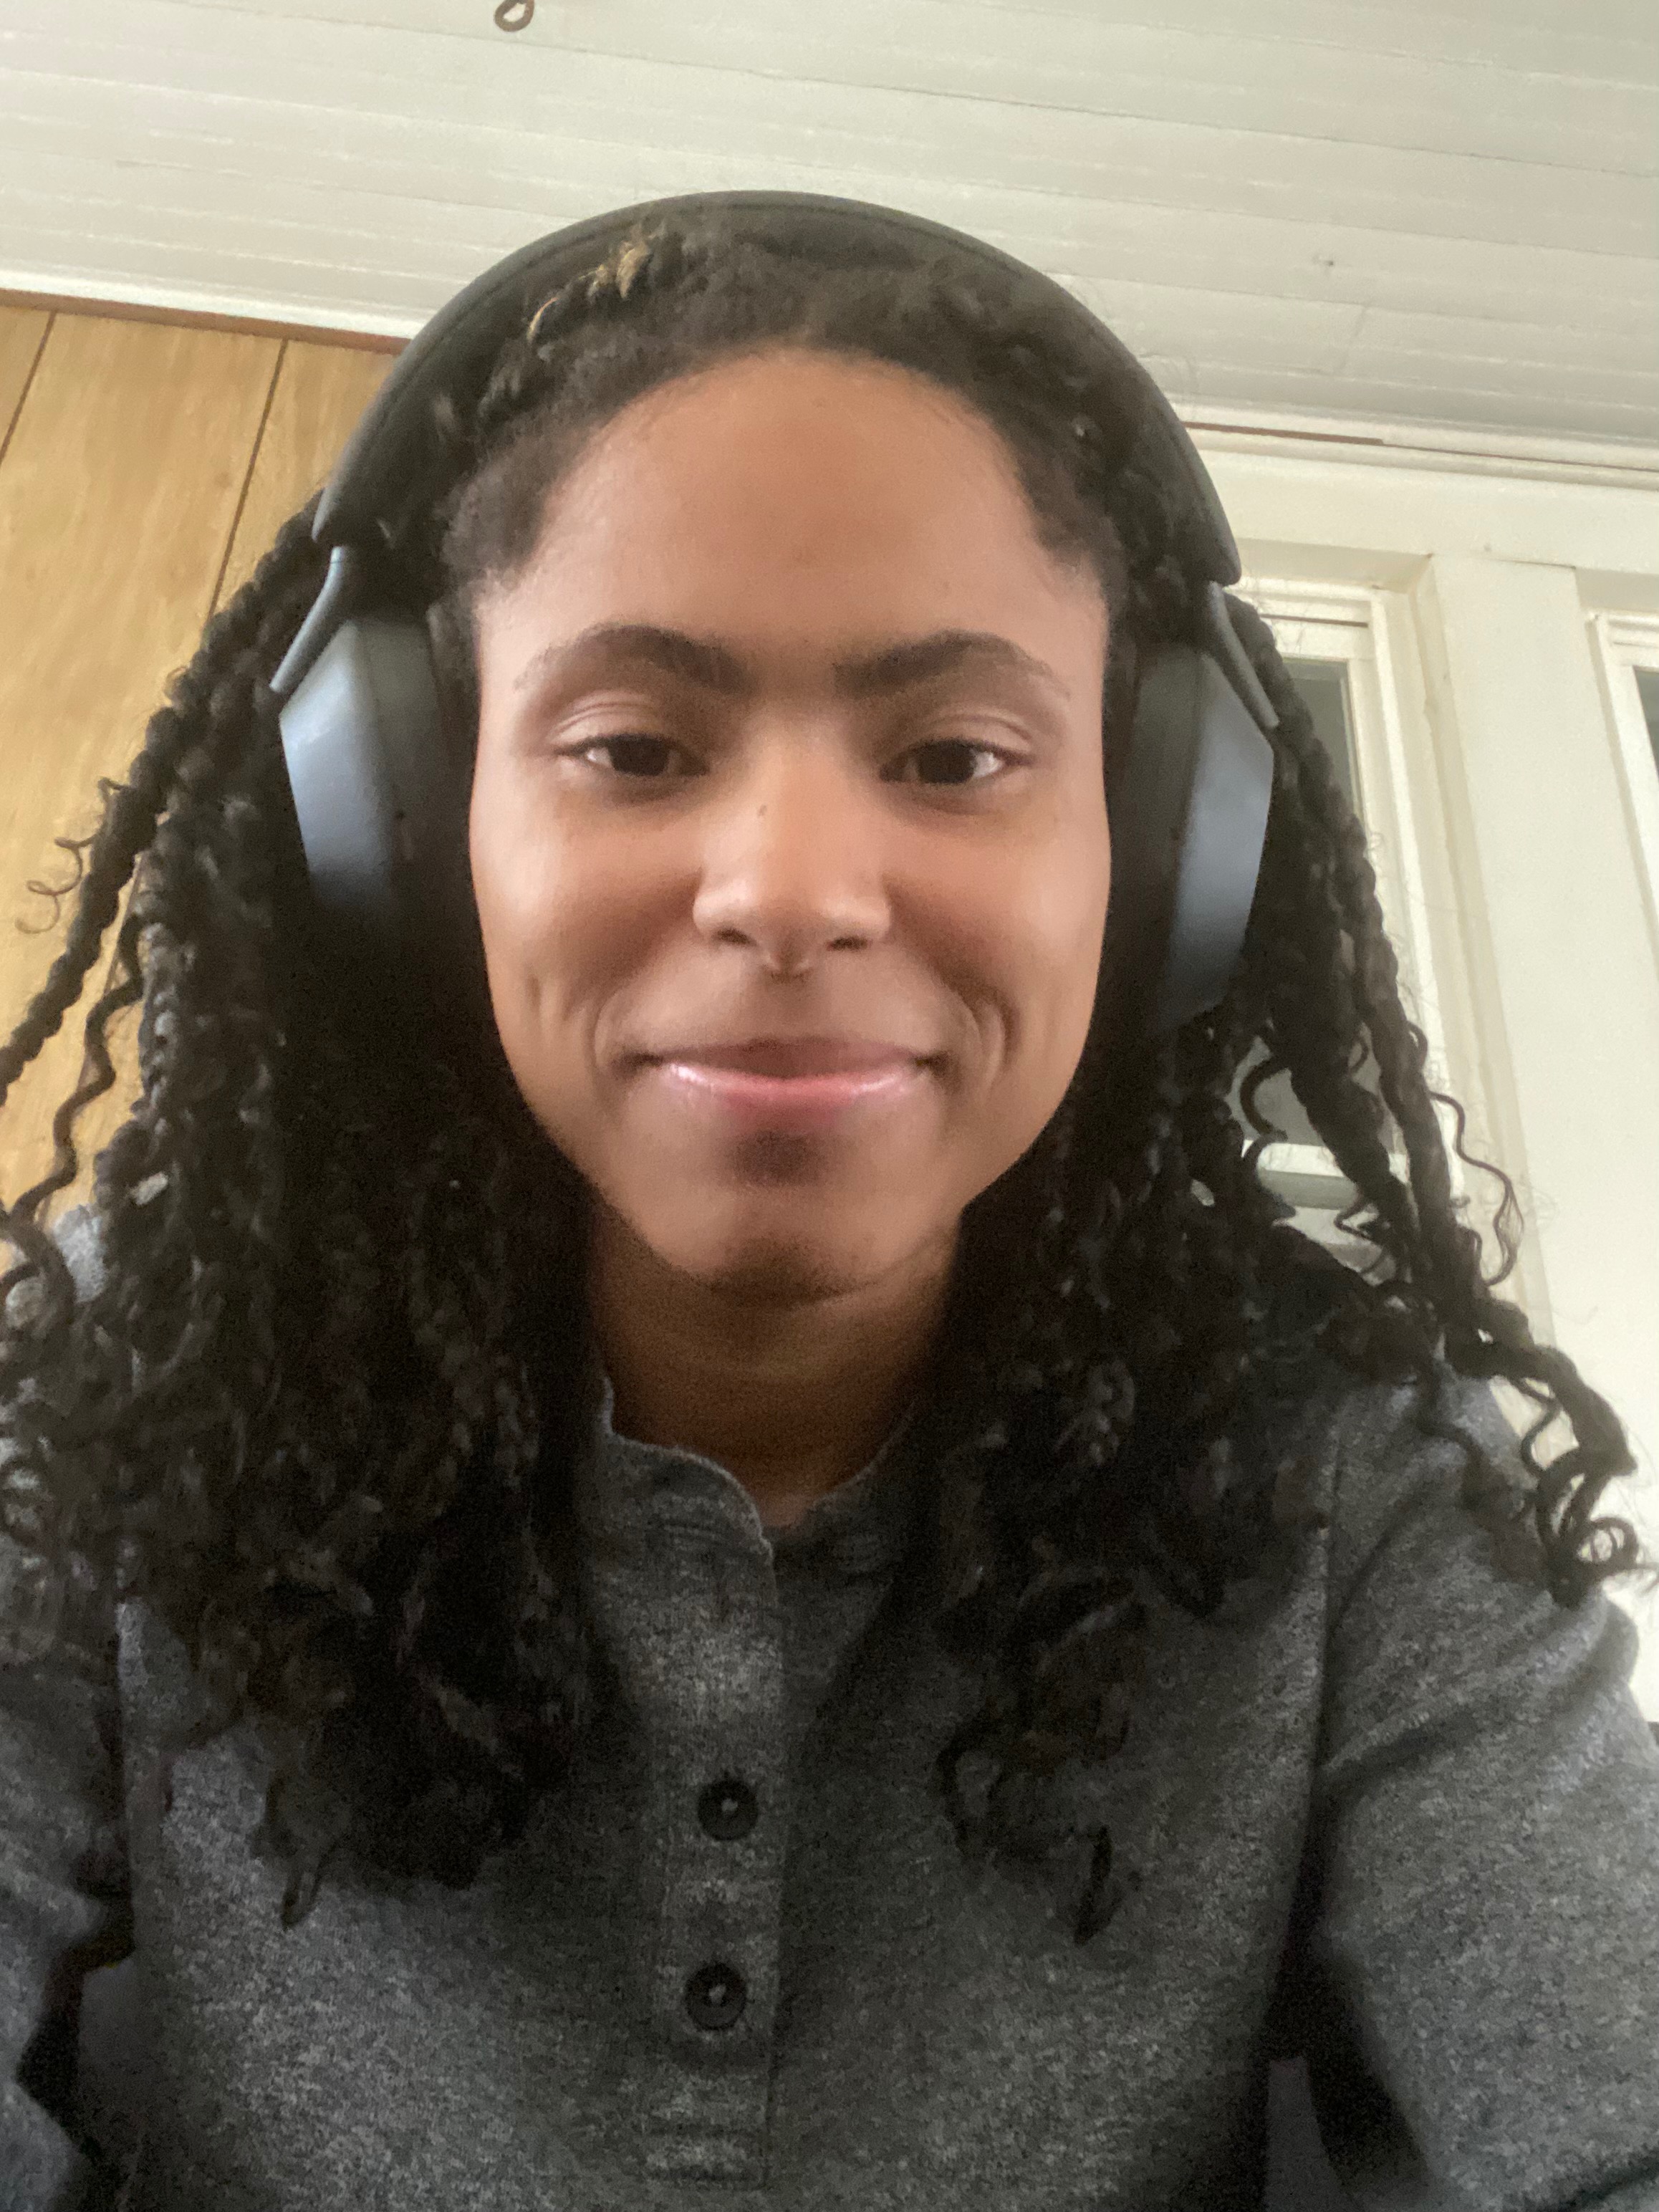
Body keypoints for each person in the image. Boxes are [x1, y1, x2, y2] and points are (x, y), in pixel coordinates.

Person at [1, 198, 1655, 2212]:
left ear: (1158, 849)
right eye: (633, 746)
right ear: (407, 825)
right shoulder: (105, 1385)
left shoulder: (1363, 1472)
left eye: (954, 755)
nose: (788, 892)